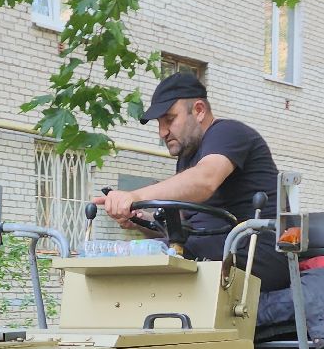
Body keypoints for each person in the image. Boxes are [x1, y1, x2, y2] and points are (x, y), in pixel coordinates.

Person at [98, 72, 290, 292]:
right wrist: (141, 221)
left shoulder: (228, 133)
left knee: (139, 265)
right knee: (122, 257)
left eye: (169, 119)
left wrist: (135, 196)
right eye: (159, 123)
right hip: (215, 249)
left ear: (199, 110)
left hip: (256, 251)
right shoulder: (188, 156)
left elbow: (204, 181)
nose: (162, 132)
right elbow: (180, 227)